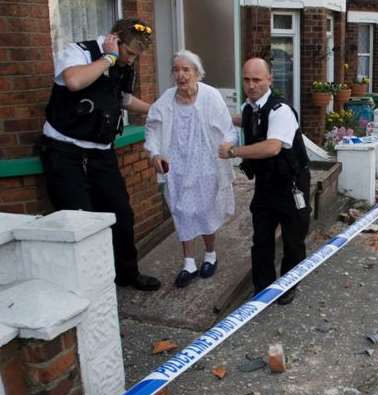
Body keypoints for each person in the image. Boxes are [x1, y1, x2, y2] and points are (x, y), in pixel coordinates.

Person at [40, 18, 161, 291]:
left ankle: (127, 274)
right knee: (81, 220)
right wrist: (108, 57)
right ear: (114, 38)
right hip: (65, 150)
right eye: (128, 53)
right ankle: (92, 287)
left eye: (135, 57)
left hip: (101, 154)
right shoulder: (79, 52)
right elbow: (73, 81)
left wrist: (157, 110)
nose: (130, 61)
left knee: (121, 215)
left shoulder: (121, 66)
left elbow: (122, 99)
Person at [218, 58, 311, 306]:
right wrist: (215, 116)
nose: (251, 85)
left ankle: (288, 285)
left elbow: (272, 147)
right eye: (247, 79)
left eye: (257, 79)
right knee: (261, 239)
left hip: (291, 184)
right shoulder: (250, 108)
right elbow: (243, 119)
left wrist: (234, 151)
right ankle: (263, 288)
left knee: (293, 240)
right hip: (266, 184)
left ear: (269, 80)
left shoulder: (281, 110)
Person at [144, 51, 237, 288]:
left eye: (186, 70)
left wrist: (227, 145)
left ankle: (210, 254)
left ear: (197, 73)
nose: (181, 75)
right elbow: (152, 129)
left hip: (206, 161)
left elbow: (227, 129)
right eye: (176, 70)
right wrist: (154, 154)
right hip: (177, 165)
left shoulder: (210, 96)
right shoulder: (165, 100)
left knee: (205, 209)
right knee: (182, 210)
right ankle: (188, 263)